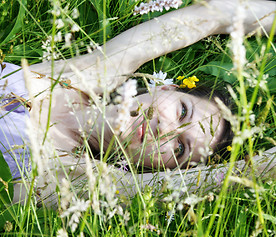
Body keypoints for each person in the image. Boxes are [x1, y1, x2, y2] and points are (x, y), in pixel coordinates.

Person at [0, 0, 275, 205]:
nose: (164, 130)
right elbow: (218, 13)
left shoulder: (71, 173)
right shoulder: (94, 71)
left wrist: (263, 167)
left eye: (179, 148)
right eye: (182, 112)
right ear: (166, 88)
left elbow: (139, 187)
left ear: (161, 170)